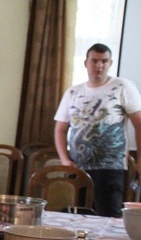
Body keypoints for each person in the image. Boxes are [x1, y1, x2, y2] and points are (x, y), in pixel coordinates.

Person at [54, 43, 141, 217]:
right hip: (78, 168)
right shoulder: (73, 92)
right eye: (94, 61)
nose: (99, 66)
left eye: (104, 61)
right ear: (86, 63)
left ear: (110, 63)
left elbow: (139, 125)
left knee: (109, 216)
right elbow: (60, 129)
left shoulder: (122, 87)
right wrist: (65, 160)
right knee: (79, 217)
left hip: (111, 167)